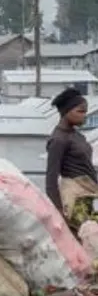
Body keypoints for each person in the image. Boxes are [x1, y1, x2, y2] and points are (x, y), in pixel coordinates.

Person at [45, 88, 97, 229]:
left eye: (85, 111)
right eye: (80, 111)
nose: (84, 116)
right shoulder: (58, 140)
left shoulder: (76, 135)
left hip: (88, 195)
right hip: (75, 200)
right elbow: (51, 180)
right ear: (66, 111)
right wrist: (59, 211)